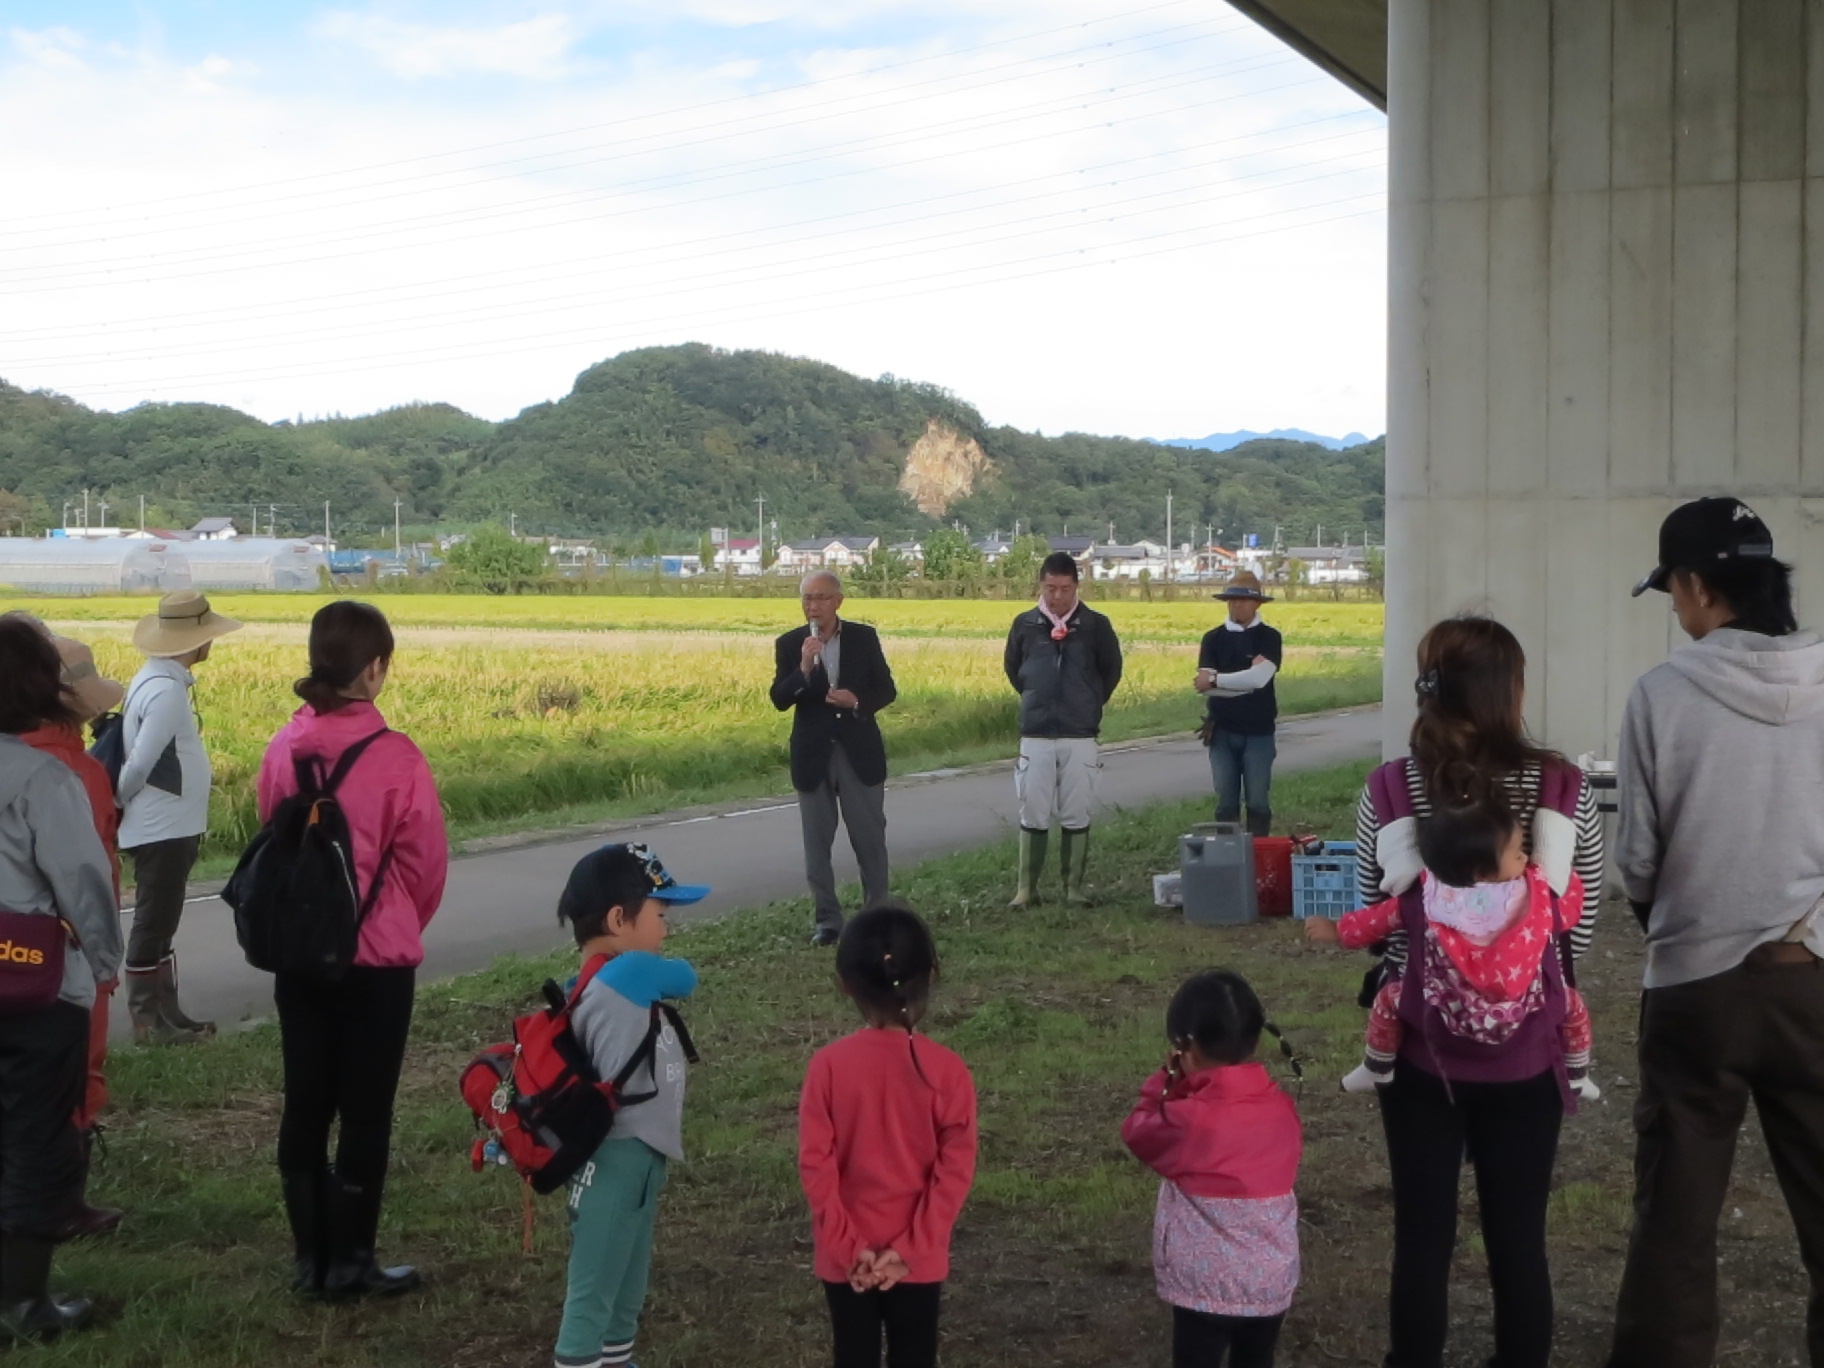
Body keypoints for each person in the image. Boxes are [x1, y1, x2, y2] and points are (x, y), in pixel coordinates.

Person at [1349, 615, 1604, 1368]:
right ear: (1511, 691)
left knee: (1422, 1235)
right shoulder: (1561, 787)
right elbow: (1572, 933)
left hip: (1423, 1054)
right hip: (1530, 1058)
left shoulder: (1391, 786)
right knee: (1519, 1237)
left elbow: (1376, 923)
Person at [1606, 498, 1824, 1368]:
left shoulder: (1662, 693)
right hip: (1813, 976)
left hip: (1697, 987)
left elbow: (1639, 861)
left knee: (1677, 1222)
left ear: (1697, 584)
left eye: (1672, 591)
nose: (1675, 608)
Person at [256, 601, 447, 1300]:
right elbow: (425, 865)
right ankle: (353, 1262)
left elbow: (272, 843)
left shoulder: (284, 747)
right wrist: (394, 919)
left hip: (299, 954)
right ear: (373, 668)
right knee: (365, 1110)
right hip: (376, 961)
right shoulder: (396, 756)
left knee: (305, 1100)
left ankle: (310, 1260)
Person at [0, 616, 124, 1339]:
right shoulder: (43, 776)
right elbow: (83, 882)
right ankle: (24, 1303)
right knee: (38, 1138)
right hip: (35, 985)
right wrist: (103, 965)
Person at [1307, 798, 1596, 1100]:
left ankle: (1377, 1066)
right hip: (1522, 1012)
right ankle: (1577, 1075)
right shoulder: (1534, 901)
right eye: (1518, 852)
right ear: (1483, 870)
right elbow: (1570, 912)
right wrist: (1571, 880)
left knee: (1388, 999)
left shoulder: (1429, 898)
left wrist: (1337, 930)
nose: (1526, 859)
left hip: (1444, 1011)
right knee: (1571, 1003)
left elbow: (1377, 921)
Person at [798, 902, 977, 1368]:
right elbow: (954, 1172)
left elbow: (816, 1167)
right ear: (932, 974)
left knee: (852, 1356)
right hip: (917, 1259)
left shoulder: (828, 1068)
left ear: (845, 985)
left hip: (845, 1262)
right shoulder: (949, 1072)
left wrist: (849, 1249)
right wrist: (910, 1249)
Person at [551, 841, 708, 1368]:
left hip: (636, 1155)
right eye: (660, 914)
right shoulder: (630, 973)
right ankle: (576, 1360)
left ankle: (617, 1359)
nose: (666, 929)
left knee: (625, 1270)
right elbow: (686, 976)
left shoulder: (585, 985)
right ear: (620, 920)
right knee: (595, 1284)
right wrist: (657, 962)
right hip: (618, 1160)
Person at [1121, 969, 1301, 1368]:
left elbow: (1137, 1132)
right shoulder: (1282, 1109)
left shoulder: (1189, 1121)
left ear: (1185, 1045)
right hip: (1269, 1284)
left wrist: (1167, 1080)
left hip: (1203, 1290)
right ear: (1255, 1038)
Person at [119, 588, 242, 1044]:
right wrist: (119, 802)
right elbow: (139, 765)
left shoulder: (157, 680)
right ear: (195, 640)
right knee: (153, 921)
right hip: (162, 828)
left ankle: (167, 1015)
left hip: (168, 825)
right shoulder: (166, 691)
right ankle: (149, 1024)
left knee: (162, 922)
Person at [771, 571, 898, 948]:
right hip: (813, 755)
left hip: (857, 750)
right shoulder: (791, 643)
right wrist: (804, 669)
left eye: (821, 598)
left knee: (869, 837)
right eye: (807, 598)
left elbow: (886, 689)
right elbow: (780, 698)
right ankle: (827, 920)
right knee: (817, 842)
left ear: (838, 601)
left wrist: (855, 700)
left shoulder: (863, 638)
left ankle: (877, 914)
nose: (813, 606)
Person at [1003, 551, 1123, 906]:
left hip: (1079, 733)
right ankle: (1027, 889)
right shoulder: (1025, 624)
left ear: (1076, 587)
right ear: (1041, 584)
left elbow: (1110, 671)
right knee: (1033, 808)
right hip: (1036, 732)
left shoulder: (1096, 626)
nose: (1057, 597)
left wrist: (1087, 702)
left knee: (1076, 809)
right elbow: (1015, 670)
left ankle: (1073, 887)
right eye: (1050, 588)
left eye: (1065, 589)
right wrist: (1037, 698)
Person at [1195, 572, 1283, 837]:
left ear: (1257, 604)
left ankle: (1258, 855)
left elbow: (1259, 679)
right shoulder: (1213, 638)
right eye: (1232, 601)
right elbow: (1204, 686)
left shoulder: (1269, 637)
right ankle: (1229, 858)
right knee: (1225, 803)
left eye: (1243, 601)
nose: (1236, 606)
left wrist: (1218, 679)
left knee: (1257, 800)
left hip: (1259, 731)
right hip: (1221, 730)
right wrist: (1238, 682)